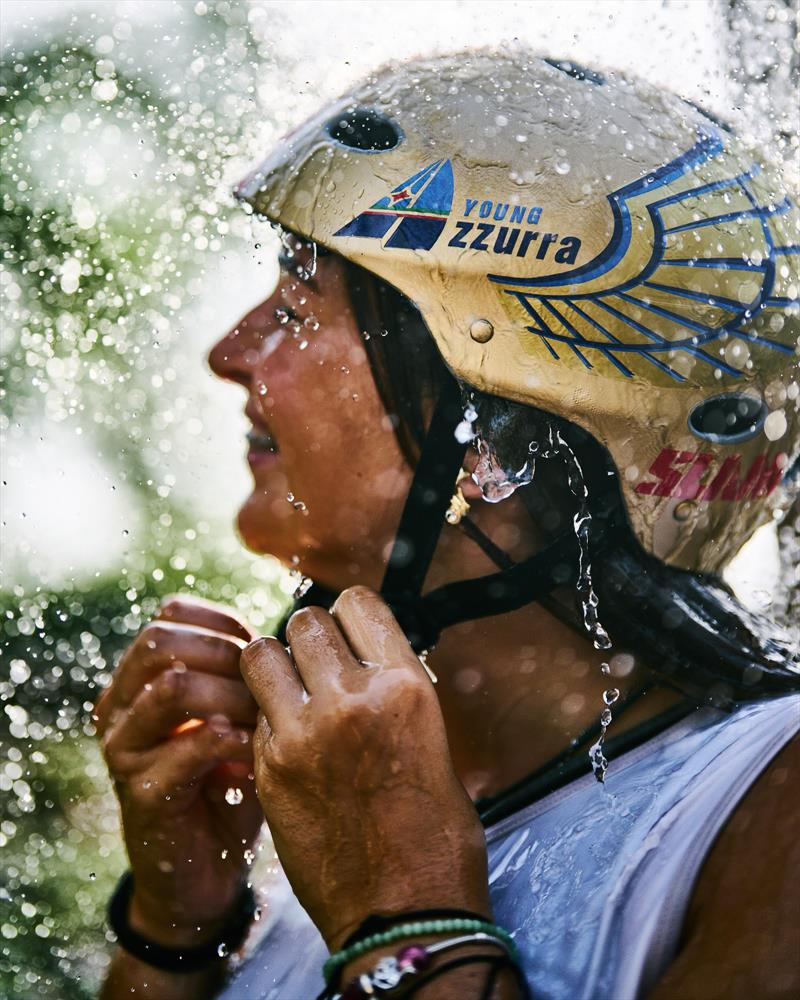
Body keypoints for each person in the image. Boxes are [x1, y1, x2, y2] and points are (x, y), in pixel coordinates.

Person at [95, 50, 800, 1000]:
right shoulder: (342, 829)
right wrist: (176, 930)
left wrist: (406, 913)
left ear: (492, 435)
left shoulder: (772, 802)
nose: (232, 352)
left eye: (299, 303)